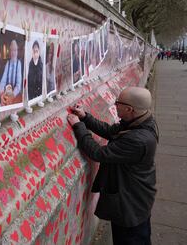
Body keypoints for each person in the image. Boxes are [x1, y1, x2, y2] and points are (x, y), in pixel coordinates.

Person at [67, 86, 159, 245]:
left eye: (118, 103)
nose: (115, 105)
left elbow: (98, 153)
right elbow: (110, 131)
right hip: (135, 199)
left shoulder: (138, 140)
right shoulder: (141, 119)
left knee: (130, 239)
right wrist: (85, 117)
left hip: (131, 205)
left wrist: (78, 127)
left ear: (129, 109)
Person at [0, 40, 22, 106]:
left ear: (17, 52)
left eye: (15, 50)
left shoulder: (19, 64)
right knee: (2, 104)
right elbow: (3, 81)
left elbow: (18, 85)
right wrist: (2, 93)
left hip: (15, 94)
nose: (13, 53)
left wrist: (12, 96)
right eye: (12, 50)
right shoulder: (8, 63)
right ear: (10, 51)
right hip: (7, 92)